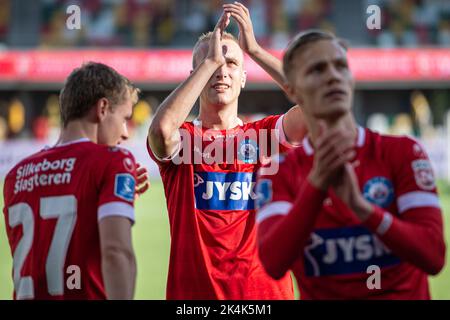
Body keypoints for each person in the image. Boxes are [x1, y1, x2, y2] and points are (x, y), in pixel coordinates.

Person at [256, 30, 446, 299]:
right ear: (291, 89)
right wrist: (317, 184)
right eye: (317, 69)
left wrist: (364, 210)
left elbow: (433, 256)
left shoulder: (403, 152)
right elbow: (274, 263)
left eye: (340, 66)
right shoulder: (280, 172)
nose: (333, 75)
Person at [147, 2, 306, 299]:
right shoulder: (182, 140)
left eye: (231, 63)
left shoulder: (265, 136)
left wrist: (255, 50)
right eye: (212, 62)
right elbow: (159, 132)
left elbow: (315, 103)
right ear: (194, 77)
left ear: (244, 78)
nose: (221, 69)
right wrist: (209, 62)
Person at [3, 62, 142, 300]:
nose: (126, 132)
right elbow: (116, 252)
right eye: (124, 118)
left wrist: (109, 200)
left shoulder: (16, 175)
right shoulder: (113, 161)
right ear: (102, 108)